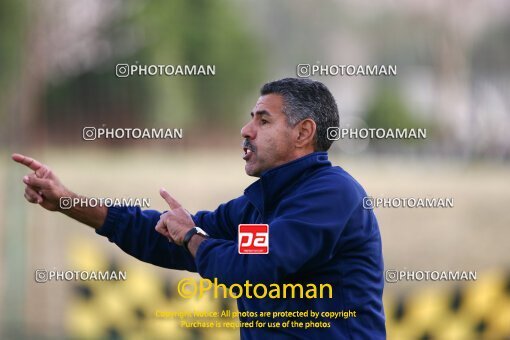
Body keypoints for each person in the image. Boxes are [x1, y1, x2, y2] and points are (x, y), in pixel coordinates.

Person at [13, 78, 386, 339]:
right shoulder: (257, 206)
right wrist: (68, 203)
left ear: (304, 133)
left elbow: (257, 266)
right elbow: (161, 234)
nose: (246, 129)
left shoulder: (333, 193)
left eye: (263, 120)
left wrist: (191, 237)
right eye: (250, 118)